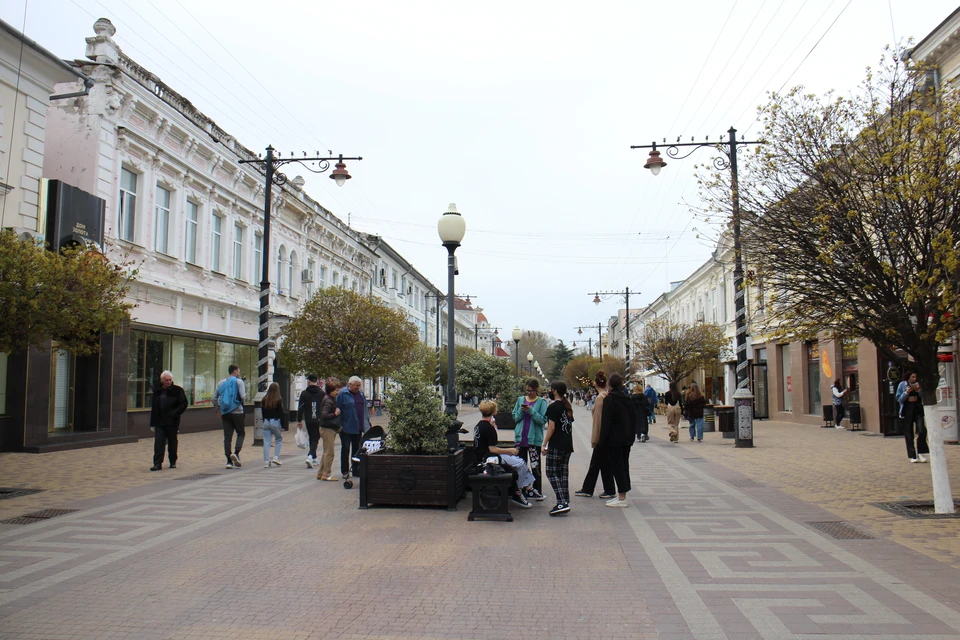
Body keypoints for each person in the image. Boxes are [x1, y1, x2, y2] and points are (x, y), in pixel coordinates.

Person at [474, 400, 534, 509]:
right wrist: (510, 450)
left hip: (482, 457)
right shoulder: (488, 428)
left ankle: (526, 487)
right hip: (490, 459)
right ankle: (518, 492)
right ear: (493, 411)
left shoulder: (478, 426)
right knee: (520, 464)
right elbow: (492, 449)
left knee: (518, 462)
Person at [576, 371, 616, 499]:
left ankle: (590, 489)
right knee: (603, 463)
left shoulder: (600, 398)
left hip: (601, 436)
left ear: (595, 383)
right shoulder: (607, 395)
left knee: (597, 463)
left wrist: (595, 439)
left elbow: (598, 420)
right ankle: (605, 489)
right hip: (607, 435)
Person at [599, 373, 636, 508]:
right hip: (626, 438)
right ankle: (622, 494)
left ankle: (622, 497)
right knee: (624, 465)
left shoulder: (610, 399)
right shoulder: (627, 398)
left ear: (610, 384)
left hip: (614, 439)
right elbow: (633, 418)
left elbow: (606, 422)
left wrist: (602, 440)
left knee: (617, 467)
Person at [512, 379, 547, 500]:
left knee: (535, 466)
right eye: (527, 390)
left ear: (536, 390)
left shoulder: (542, 402)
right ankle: (521, 489)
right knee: (521, 465)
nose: (529, 393)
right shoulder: (520, 400)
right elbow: (515, 417)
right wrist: (522, 411)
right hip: (520, 439)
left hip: (534, 440)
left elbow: (542, 420)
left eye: (531, 391)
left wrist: (531, 411)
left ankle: (536, 490)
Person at [543, 381, 575, 516]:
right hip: (567, 444)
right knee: (562, 473)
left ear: (555, 391)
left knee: (551, 472)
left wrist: (544, 444)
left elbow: (551, 427)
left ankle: (561, 501)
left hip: (556, 444)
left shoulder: (553, 407)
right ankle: (564, 500)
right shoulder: (566, 405)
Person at [149, 370, 187, 471]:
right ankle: (157, 463)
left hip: (172, 422)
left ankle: (172, 461)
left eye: (170, 380)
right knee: (159, 442)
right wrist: (152, 423)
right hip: (159, 422)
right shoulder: (157, 391)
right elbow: (154, 407)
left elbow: (183, 404)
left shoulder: (177, 391)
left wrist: (174, 413)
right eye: (166, 380)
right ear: (162, 381)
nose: (169, 382)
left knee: (172, 442)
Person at [213, 364, 246, 469]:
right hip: (238, 412)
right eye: (238, 371)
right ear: (235, 371)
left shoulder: (221, 383)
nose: (239, 373)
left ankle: (228, 461)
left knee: (227, 437)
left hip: (225, 413)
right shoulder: (239, 381)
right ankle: (236, 453)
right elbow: (243, 396)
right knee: (240, 433)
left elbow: (214, 398)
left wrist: (218, 409)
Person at [337, 376, 369, 479]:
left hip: (358, 426)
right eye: (356, 385)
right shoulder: (342, 394)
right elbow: (337, 410)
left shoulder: (361, 394)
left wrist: (366, 423)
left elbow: (364, 410)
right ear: (350, 385)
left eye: (359, 385)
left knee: (356, 450)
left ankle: (356, 470)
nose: (358, 387)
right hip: (346, 427)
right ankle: (345, 471)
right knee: (345, 449)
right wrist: (338, 425)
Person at [896, 372, 929, 463]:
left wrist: (919, 390)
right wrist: (907, 392)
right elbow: (899, 399)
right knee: (909, 433)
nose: (914, 379)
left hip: (917, 408)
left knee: (922, 430)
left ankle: (921, 452)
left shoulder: (919, 384)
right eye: (913, 377)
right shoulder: (902, 384)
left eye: (916, 377)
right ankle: (912, 455)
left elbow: (924, 397)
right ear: (908, 377)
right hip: (907, 409)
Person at [297, 374, 325, 469]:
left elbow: (300, 408)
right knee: (316, 437)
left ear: (308, 381)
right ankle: (311, 456)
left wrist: (299, 420)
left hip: (309, 419)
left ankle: (313, 456)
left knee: (312, 437)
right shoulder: (321, 393)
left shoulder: (304, 393)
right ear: (316, 381)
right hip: (318, 419)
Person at [317, 377, 342, 481]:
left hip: (325, 427)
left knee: (326, 451)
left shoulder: (328, 399)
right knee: (330, 452)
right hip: (328, 428)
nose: (338, 392)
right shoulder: (328, 400)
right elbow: (324, 415)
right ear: (331, 391)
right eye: (336, 390)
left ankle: (321, 472)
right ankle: (326, 474)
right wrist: (335, 414)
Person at [260, 382, 288, 468]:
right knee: (278, 439)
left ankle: (266, 461)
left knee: (266, 442)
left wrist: (264, 420)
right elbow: (281, 413)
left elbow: (263, 413)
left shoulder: (264, 399)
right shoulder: (278, 400)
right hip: (275, 421)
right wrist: (284, 426)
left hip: (266, 422)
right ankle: (276, 457)